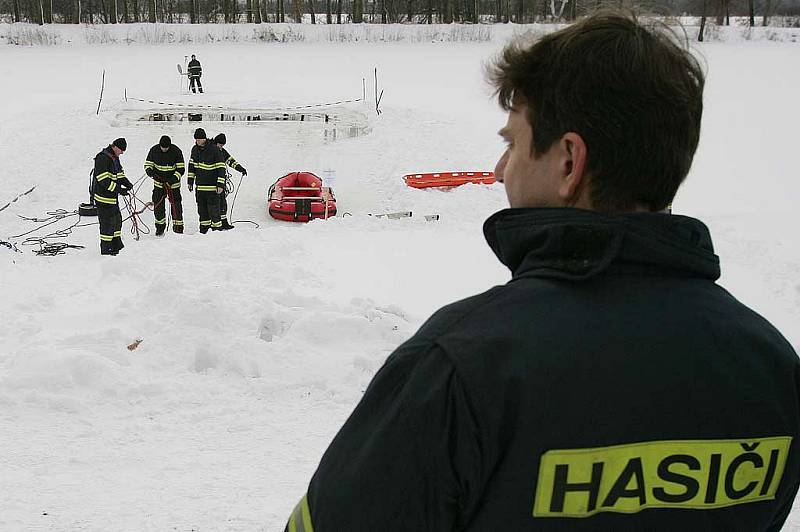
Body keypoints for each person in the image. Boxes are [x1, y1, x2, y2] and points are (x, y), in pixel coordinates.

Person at [284, 12, 800, 532]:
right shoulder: (771, 368)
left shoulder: (462, 366)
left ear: (569, 162)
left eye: (512, 143)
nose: (499, 169)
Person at [93, 138, 133, 256]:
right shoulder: (102, 158)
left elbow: (119, 174)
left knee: (117, 221)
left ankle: (115, 245)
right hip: (103, 198)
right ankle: (106, 249)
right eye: (121, 150)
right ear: (115, 147)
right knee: (107, 224)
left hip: (112, 198)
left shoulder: (114, 158)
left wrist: (126, 183)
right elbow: (103, 180)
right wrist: (119, 189)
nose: (122, 153)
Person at [144, 135, 185, 235]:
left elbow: (181, 169)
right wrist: (151, 172)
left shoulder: (176, 151)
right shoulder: (154, 150)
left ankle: (178, 228)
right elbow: (147, 164)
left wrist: (172, 180)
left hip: (173, 186)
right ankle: (160, 228)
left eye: (166, 148)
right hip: (158, 185)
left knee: (176, 207)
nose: (164, 149)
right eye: (162, 148)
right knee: (158, 207)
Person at [188, 128, 225, 233]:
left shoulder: (214, 150)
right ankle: (203, 231)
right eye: (196, 139)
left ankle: (217, 231)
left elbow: (221, 168)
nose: (198, 141)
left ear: (204, 138)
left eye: (200, 139)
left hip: (212, 188)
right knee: (202, 211)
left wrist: (220, 184)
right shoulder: (194, 150)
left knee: (214, 211)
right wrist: (190, 181)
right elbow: (192, 166)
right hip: (200, 188)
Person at [213, 133, 247, 230]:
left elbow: (231, 161)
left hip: (221, 181)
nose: (221, 147)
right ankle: (215, 224)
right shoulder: (210, 151)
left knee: (223, 202)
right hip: (212, 182)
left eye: (222, 145)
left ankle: (224, 222)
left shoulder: (222, 151)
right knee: (214, 204)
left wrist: (241, 169)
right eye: (220, 144)